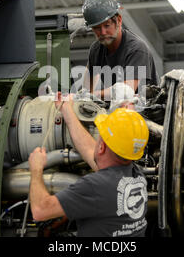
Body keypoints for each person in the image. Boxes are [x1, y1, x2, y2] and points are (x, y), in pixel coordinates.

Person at [28, 94, 149, 237]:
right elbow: (89, 150)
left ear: (102, 147)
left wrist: (36, 168)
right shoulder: (136, 175)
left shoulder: (95, 186)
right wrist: (67, 110)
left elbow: (40, 210)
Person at [81, 0, 159, 99]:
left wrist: (95, 95)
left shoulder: (136, 49)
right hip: (118, 109)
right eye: (97, 28)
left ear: (119, 20)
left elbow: (127, 91)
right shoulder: (96, 50)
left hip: (144, 112)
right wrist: (81, 97)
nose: (103, 32)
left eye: (107, 25)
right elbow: (86, 88)